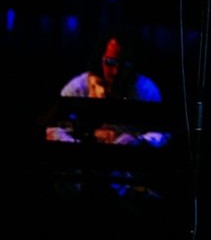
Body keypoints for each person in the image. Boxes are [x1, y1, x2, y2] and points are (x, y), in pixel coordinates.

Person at [44, 29, 175, 239]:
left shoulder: (146, 90)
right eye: (110, 63)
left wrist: (138, 143)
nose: (115, 72)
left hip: (127, 180)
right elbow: (52, 127)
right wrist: (78, 147)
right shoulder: (79, 87)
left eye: (124, 65)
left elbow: (162, 132)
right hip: (81, 178)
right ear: (101, 58)